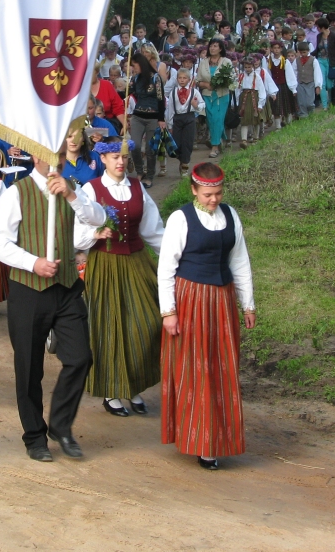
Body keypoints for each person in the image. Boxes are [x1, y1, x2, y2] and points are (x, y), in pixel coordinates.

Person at [0, 150, 106, 461]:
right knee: (29, 368)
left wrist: (70, 194)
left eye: (61, 155)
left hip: (67, 286)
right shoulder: (17, 192)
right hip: (29, 289)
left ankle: (60, 424)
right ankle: (34, 436)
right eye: (50, 154)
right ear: (36, 156)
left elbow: (97, 218)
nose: (58, 160)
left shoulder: (72, 188)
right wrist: (33, 262)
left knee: (80, 357)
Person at [158, 162, 256, 470]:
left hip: (222, 300)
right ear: (194, 191)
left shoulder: (230, 215)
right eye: (208, 194)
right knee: (196, 370)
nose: (214, 200)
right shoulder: (180, 219)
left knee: (222, 368)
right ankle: (198, 440)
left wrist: (247, 304)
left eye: (218, 194)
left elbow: (239, 259)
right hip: (191, 300)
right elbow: (166, 269)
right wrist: (169, 312)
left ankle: (217, 438)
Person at [73, 138, 165, 417]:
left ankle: (134, 385)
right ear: (103, 159)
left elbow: (154, 230)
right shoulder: (91, 189)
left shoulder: (137, 187)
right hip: (106, 264)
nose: (120, 161)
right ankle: (112, 391)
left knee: (147, 322)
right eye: (114, 156)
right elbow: (76, 231)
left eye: (124, 156)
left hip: (137, 261)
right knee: (111, 325)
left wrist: (177, 258)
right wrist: (94, 234)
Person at [128, 54, 165, 188]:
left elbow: (161, 100)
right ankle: (139, 171)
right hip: (137, 116)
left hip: (153, 118)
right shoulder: (135, 78)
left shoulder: (156, 78)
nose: (132, 68)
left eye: (134, 65)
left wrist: (161, 119)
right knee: (135, 145)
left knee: (150, 149)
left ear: (141, 64)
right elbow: (128, 92)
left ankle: (149, 175)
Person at [196, 38, 235, 159]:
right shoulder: (203, 62)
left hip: (221, 95)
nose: (212, 48)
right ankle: (221, 138)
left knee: (218, 119)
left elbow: (232, 78)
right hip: (207, 95)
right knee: (210, 120)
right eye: (211, 46)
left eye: (215, 46)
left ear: (221, 48)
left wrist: (221, 83)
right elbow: (198, 81)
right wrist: (207, 85)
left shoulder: (226, 62)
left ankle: (214, 147)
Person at [165, 67, 205, 177]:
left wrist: (196, 106)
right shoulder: (173, 93)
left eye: (184, 78)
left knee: (188, 142)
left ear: (189, 79)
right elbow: (170, 109)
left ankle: (185, 166)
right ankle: (182, 160)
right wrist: (170, 124)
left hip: (189, 118)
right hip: (177, 119)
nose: (182, 80)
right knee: (177, 143)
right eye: (180, 78)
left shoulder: (194, 92)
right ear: (177, 79)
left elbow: (202, 104)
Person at [236, 55, 266, 147]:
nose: (247, 69)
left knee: (255, 119)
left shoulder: (257, 77)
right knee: (244, 119)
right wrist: (237, 102)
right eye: (246, 67)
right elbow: (238, 89)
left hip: (254, 97)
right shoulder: (241, 76)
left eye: (249, 67)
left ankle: (255, 137)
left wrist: (260, 104)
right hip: (244, 97)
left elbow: (261, 90)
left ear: (253, 66)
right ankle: (244, 140)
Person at [267, 40, 298, 125]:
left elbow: (290, 75)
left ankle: (289, 123)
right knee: (276, 106)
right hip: (274, 86)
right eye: (274, 48)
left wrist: (293, 88)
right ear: (272, 49)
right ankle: (278, 126)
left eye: (278, 48)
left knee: (286, 105)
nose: (276, 50)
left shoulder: (285, 61)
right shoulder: (269, 62)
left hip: (284, 86)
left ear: (281, 49)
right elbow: (268, 75)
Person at [90, 64, 126, 134]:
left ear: (97, 72)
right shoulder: (79, 88)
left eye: (91, 72)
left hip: (107, 125)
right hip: (86, 125)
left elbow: (118, 107)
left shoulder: (107, 85)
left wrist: (124, 124)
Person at [294, 41, 322, 118]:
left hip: (310, 83)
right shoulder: (296, 61)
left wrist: (318, 86)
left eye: (304, 52)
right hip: (300, 83)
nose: (303, 54)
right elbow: (295, 72)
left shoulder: (313, 60)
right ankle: (303, 116)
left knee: (309, 102)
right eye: (301, 53)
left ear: (308, 51)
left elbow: (317, 73)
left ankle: (311, 114)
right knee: (301, 102)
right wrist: (295, 84)